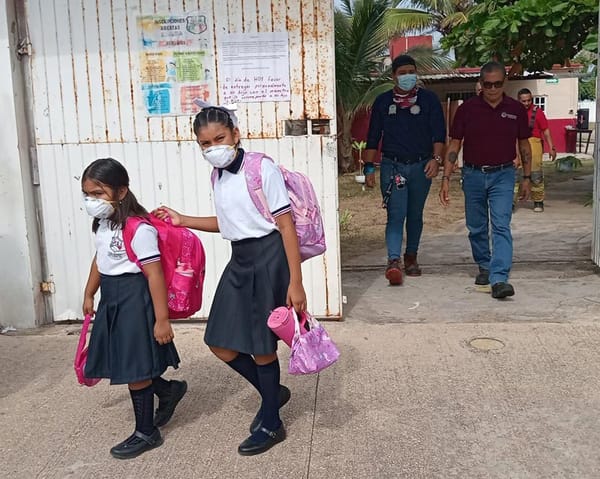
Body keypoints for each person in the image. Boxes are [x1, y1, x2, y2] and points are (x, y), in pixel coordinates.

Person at [155, 105, 305, 456]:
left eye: (219, 138)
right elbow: (229, 223)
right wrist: (183, 219)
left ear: (235, 134)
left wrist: (295, 282)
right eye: (205, 143)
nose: (213, 148)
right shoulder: (218, 176)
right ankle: (273, 394)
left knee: (261, 347)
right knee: (219, 342)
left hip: (268, 258)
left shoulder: (261, 168)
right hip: (240, 259)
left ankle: (272, 422)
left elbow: (286, 226)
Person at [81, 158, 186, 459]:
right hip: (112, 297)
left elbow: (155, 275)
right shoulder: (104, 224)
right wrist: (90, 292)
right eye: (87, 194)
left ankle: (146, 432)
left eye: (98, 193)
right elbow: (100, 260)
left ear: (121, 191)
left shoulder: (138, 228)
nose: (91, 201)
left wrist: (162, 320)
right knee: (127, 359)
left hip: (134, 299)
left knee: (134, 367)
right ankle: (167, 391)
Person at [438, 62, 532, 299]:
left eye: (497, 84)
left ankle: (499, 278)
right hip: (473, 175)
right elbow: (455, 144)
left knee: (501, 225)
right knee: (477, 226)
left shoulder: (516, 109)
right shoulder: (467, 110)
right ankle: (485, 265)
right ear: (481, 83)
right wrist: (446, 177)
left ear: (504, 83)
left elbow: (523, 144)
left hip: (503, 175)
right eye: (488, 84)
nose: (492, 89)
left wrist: (527, 177)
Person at [363, 54, 446, 285]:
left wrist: (436, 159)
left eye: (411, 72)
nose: (407, 76)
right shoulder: (383, 102)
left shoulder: (429, 100)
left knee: (415, 214)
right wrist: (368, 167)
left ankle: (411, 257)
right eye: (402, 73)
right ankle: (393, 261)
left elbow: (439, 134)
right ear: (394, 76)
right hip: (393, 166)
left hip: (421, 166)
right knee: (395, 214)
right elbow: (373, 137)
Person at [517, 88, 557, 212]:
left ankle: (538, 201)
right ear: (519, 100)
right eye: (523, 101)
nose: (526, 103)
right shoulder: (514, 111)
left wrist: (552, 147)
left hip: (534, 143)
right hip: (517, 143)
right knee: (515, 174)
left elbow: (546, 130)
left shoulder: (538, 112)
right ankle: (512, 201)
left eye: (529, 100)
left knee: (535, 173)